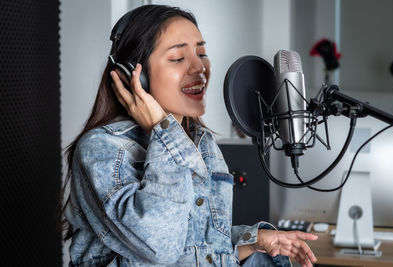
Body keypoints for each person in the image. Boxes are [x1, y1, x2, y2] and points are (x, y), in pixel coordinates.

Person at [62, 4, 318, 267]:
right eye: (177, 58)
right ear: (133, 76)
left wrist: (251, 241)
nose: (199, 68)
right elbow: (160, 246)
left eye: (202, 53)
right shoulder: (102, 150)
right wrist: (162, 128)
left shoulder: (203, 144)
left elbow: (198, 250)